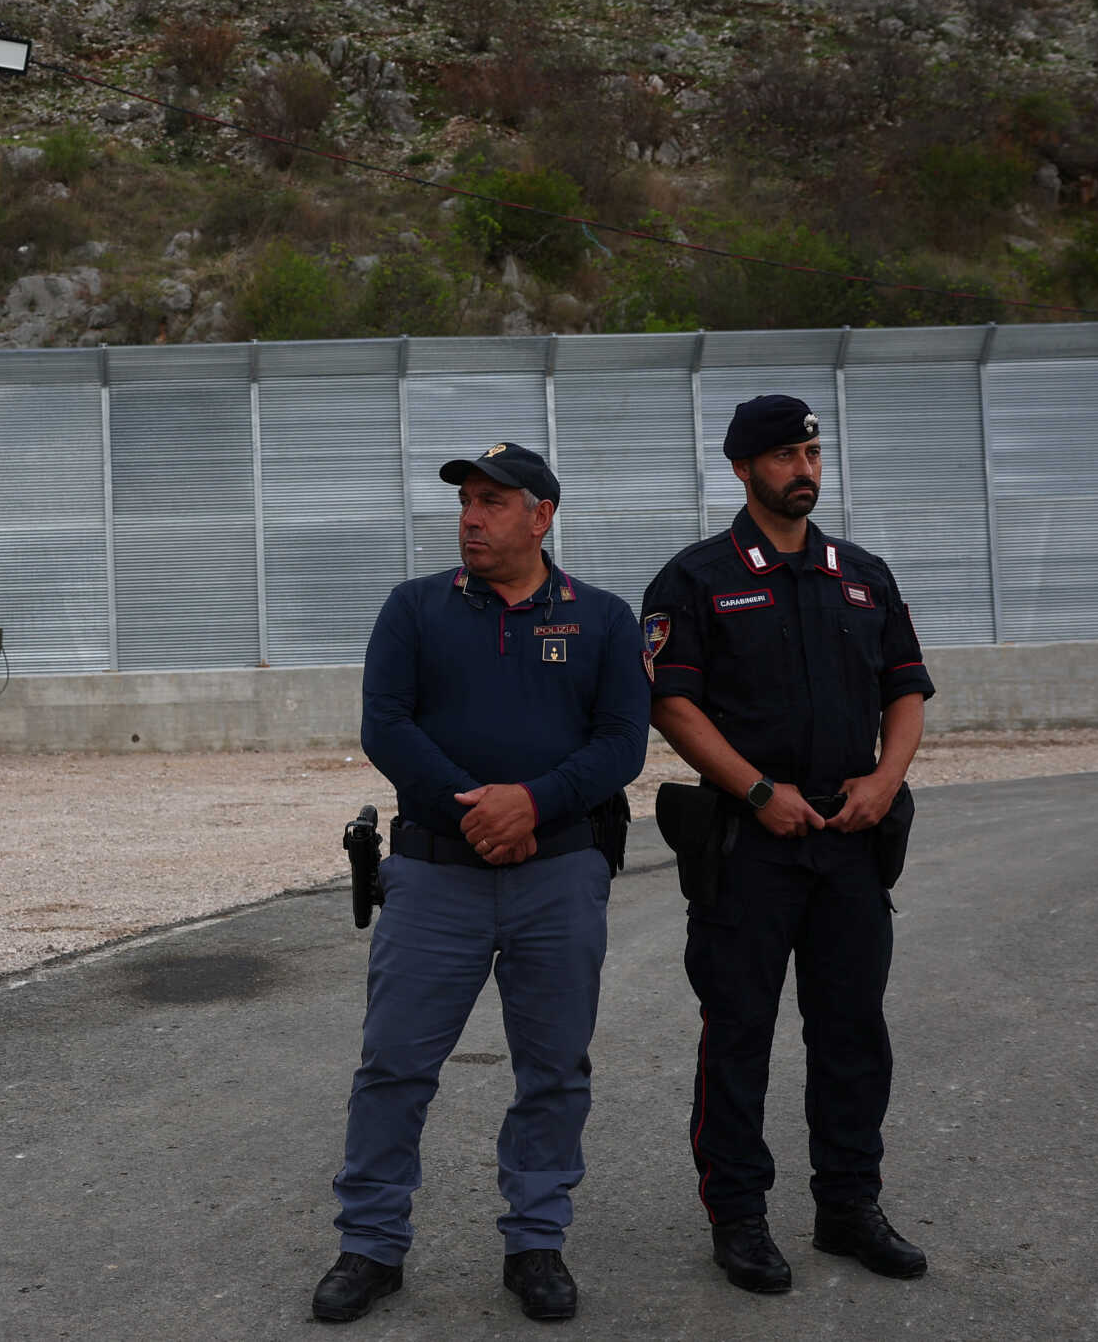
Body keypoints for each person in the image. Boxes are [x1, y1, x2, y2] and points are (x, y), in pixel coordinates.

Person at [313, 442, 647, 1325]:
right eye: (466, 500)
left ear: (542, 516)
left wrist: (531, 804)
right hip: (434, 874)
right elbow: (385, 726)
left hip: (560, 873)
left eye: (494, 502)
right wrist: (476, 810)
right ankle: (371, 1244)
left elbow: (621, 744)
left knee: (554, 1068)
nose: (471, 517)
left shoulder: (604, 619)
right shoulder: (415, 609)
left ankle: (536, 1242)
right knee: (393, 1064)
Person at [639, 394, 935, 1295]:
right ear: (741, 468)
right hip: (749, 844)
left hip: (850, 837)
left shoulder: (864, 574)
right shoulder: (694, 579)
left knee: (853, 1032)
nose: (804, 468)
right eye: (783, 455)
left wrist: (884, 782)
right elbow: (672, 703)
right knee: (739, 1033)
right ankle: (740, 1217)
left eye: (811, 450)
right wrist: (757, 791)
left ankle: (848, 1206)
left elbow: (907, 689)